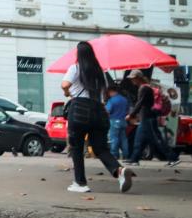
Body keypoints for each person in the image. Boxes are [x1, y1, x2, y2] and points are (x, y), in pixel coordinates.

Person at [60, 41, 133, 193]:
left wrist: (68, 93)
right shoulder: (101, 72)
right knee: (100, 148)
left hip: (80, 109)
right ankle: (118, 171)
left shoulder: (75, 68)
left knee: (77, 148)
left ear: (78, 54)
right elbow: (104, 93)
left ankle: (80, 183)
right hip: (99, 110)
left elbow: (65, 84)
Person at [125, 70, 180, 167]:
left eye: (133, 78)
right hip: (145, 118)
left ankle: (173, 158)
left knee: (158, 140)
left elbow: (140, 103)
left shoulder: (144, 88)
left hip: (148, 118)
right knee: (139, 140)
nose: (132, 80)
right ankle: (134, 159)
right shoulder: (145, 87)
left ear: (138, 78)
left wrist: (131, 114)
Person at [104, 85, 130, 160]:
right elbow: (128, 110)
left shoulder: (112, 100)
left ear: (111, 91)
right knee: (124, 139)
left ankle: (114, 155)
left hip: (114, 121)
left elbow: (107, 111)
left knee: (114, 138)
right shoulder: (125, 99)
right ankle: (126, 155)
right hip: (123, 121)